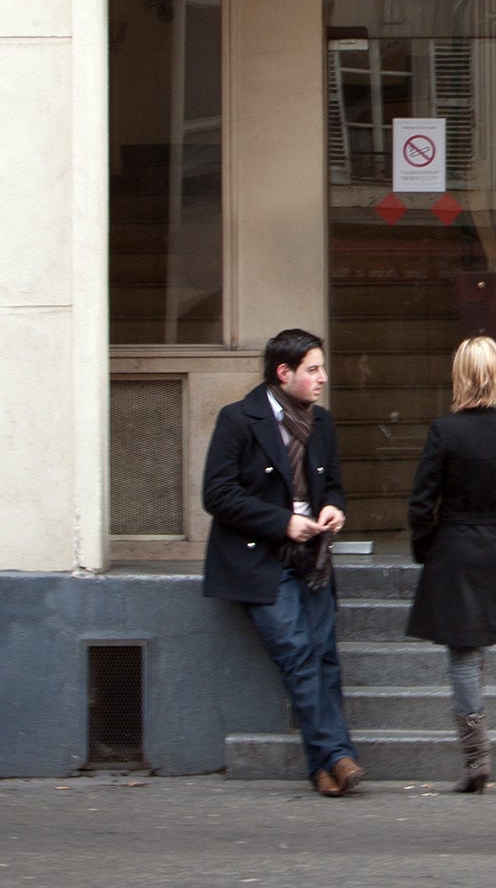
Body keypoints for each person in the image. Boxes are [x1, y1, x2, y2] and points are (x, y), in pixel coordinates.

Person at [201, 328, 364, 797]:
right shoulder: (238, 419)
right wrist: (281, 523)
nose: (323, 378)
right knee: (297, 652)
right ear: (284, 373)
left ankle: (323, 768)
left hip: (312, 558)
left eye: (321, 368)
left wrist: (333, 507)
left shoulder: (322, 422)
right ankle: (337, 754)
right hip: (260, 559)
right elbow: (217, 494)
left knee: (325, 657)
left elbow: (331, 483)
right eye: (313, 369)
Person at [405, 335, 496, 792]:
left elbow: (420, 503)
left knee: (463, 654)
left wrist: (427, 546)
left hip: (455, 545)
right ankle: (475, 752)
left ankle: (475, 755)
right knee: (476, 645)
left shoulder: (446, 430)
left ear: (460, 375)